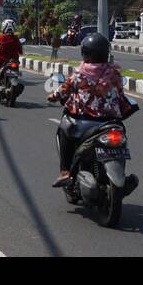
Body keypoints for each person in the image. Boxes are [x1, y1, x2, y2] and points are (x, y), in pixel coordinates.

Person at [47, 32, 131, 188]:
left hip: (84, 123)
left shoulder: (80, 73)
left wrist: (53, 96)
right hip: (110, 123)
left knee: (63, 128)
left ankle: (65, 171)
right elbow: (120, 95)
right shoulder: (114, 73)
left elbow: (64, 90)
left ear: (85, 53)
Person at [0, 19, 23, 84]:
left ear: (3, 27)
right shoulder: (16, 38)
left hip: (2, 60)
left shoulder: (1, 38)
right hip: (14, 60)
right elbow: (20, 51)